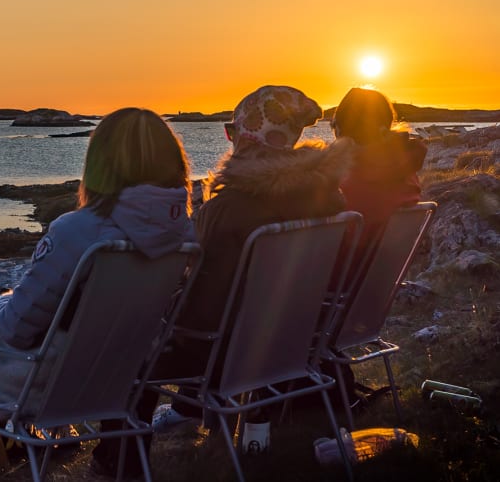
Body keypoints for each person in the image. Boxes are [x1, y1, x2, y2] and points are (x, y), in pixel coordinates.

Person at [0, 107, 195, 482]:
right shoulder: (185, 236)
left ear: (102, 164)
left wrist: (2, 302)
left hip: (53, 380)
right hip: (126, 369)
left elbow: (18, 330)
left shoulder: (76, 232)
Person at [118, 86, 356, 463]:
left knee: (133, 349)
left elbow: (195, 286)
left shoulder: (227, 209)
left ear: (245, 137)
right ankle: (213, 420)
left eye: (232, 131)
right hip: (293, 342)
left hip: (224, 352)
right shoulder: (328, 198)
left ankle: (116, 463)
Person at [332, 87, 426, 255]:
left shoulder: (343, 183)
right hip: (382, 276)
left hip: (338, 276)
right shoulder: (407, 173)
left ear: (340, 129)